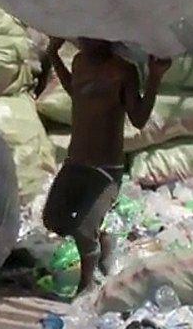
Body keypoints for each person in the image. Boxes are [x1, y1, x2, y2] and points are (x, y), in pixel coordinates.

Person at [42, 37, 171, 297]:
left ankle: (87, 285)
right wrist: (53, 54)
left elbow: (139, 118)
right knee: (53, 219)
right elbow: (75, 90)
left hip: (105, 166)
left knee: (83, 228)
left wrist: (155, 77)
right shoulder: (79, 62)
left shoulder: (122, 70)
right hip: (76, 160)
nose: (85, 40)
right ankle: (105, 244)